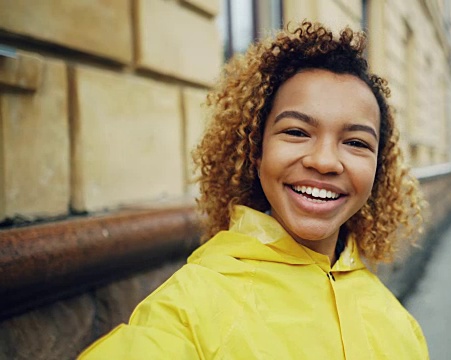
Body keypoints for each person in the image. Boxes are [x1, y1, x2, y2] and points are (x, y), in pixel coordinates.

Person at [79, 21, 429, 359]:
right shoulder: (192, 307)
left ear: (378, 169)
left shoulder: (402, 325)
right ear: (255, 151)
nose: (325, 161)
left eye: (355, 142)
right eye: (296, 132)